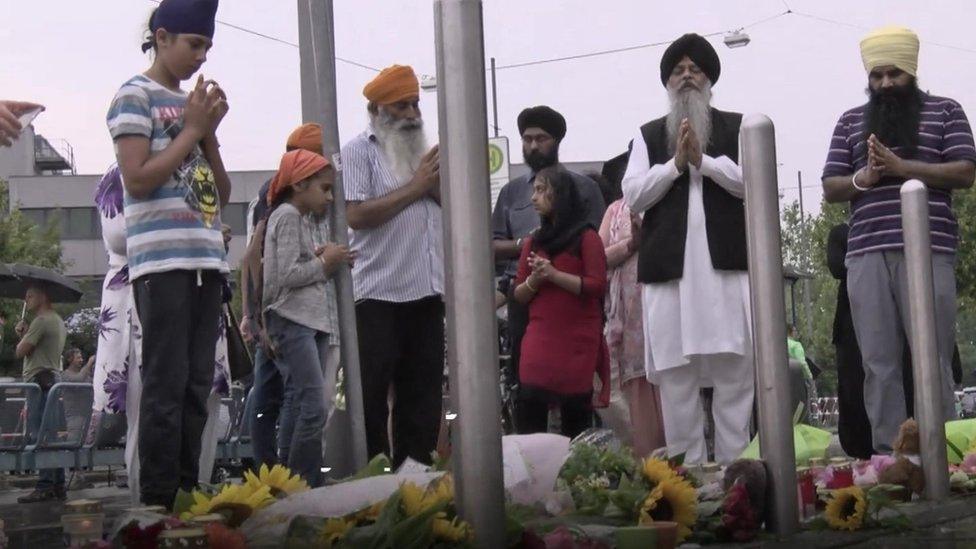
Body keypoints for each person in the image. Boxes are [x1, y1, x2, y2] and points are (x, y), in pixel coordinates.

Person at [821, 26, 976, 454]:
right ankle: (892, 462)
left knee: (934, 359)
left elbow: (965, 170)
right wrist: (865, 177)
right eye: (877, 76)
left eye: (895, 74)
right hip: (866, 252)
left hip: (929, 250)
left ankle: (945, 455)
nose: (886, 83)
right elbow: (831, 186)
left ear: (912, 71)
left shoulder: (946, 111)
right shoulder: (851, 121)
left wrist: (902, 165)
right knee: (878, 363)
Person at [106, 0, 231, 507]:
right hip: (162, 266)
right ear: (161, 37)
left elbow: (218, 193)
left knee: (196, 386)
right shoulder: (133, 96)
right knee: (165, 385)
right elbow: (136, 179)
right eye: (193, 44)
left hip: (205, 263)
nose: (200, 57)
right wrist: (193, 131)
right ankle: (158, 503)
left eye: (207, 46)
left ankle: (188, 493)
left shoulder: (192, 108)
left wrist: (210, 136)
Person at [621, 33, 754, 464]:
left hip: (726, 281)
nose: (686, 77)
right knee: (677, 388)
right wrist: (676, 164)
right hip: (670, 283)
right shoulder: (647, 136)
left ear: (709, 79)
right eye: (678, 71)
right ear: (667, 83)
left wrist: (705, 162)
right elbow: (635, 195)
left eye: (695, 70)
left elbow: (753, 184)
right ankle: (690, 485)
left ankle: (739, 482)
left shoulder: (739, 127)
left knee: (734, 386)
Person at [89, 166, 232, 502]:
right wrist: (187, 232)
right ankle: (151, 508)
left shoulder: (197, 166)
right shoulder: (122, 172)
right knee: (154, 403)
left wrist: (208, 232)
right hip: (144, 293)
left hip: (200, 286)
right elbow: (118, 234)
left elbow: (215, 207)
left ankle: (192, 496)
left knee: (199, 401)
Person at [342, 64, 444, 467]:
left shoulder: (428, 154)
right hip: (378, 296)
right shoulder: (357, 151)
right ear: (376, 110)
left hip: (427, 292)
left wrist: (432, 186)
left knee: (422, 398)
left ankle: (415, 481)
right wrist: (416, 187)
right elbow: (357, 215)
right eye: (401, 106)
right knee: (370, 399)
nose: (412, 114)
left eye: (415, 104)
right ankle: (372, 482)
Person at [492, 106, 606, 427]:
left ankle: (581, 470)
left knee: (576, 400)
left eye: (540, 139)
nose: (532, 146)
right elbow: (492, 246)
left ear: (556, 141)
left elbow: (597, 248)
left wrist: (555, 269)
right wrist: (529, 247)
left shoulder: (584, 188)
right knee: (527, 392)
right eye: (526, 139)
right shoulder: (511, 192)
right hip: (525, 300)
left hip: (575, 307)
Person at [262, 149, 351, 486]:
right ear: (299, 184)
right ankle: (303, 480)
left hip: (308, 321)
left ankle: (290, 479)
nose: (329, 197)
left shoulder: (292, 218)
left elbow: (292, 266)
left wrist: (323, 259)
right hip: (293, 319)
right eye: (324, 189)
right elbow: (285, 275)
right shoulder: (286, 215)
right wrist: (324, 264)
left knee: (303, 404)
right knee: (313, 404)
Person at [241, 123, 325, 468]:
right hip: (281, 310)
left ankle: (277, 469)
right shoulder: (277, 198)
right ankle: (274, 470)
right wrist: (254, 312)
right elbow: (255, 255)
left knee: (282, 393)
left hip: (281, 309)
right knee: (281, 394)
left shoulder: (289, 197)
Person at [513, 167, 610, 438]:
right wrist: (537, 278)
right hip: (540, 340)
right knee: (530, 411)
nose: (534, 198)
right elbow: (519, 293)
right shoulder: (534, 241)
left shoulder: (587, 238)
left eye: (542, 190)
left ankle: (577, 479)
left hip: (577, 342)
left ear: (562, 195)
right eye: (534, 190)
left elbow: (597, 285)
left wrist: (554, 275)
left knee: (575, 424)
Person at [599, 194, 666, 457]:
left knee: (673, 390)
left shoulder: (668, 199)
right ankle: (646, 468)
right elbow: (598, 256)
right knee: (629, 393)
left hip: (664, 316)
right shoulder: (616, 210)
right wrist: (632, 244)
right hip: (627, 324)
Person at [15, 285, 67, 503]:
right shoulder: (57, 320)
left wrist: (22, 336)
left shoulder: (41, 321)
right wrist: (26, 334)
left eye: (30, 295)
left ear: (44, 296)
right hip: (52, 379)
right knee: (52, 435)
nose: (26, 299)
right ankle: (57, 485)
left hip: (39, 381)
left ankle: (45, 485)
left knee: (40, 436)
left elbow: (20, 352)